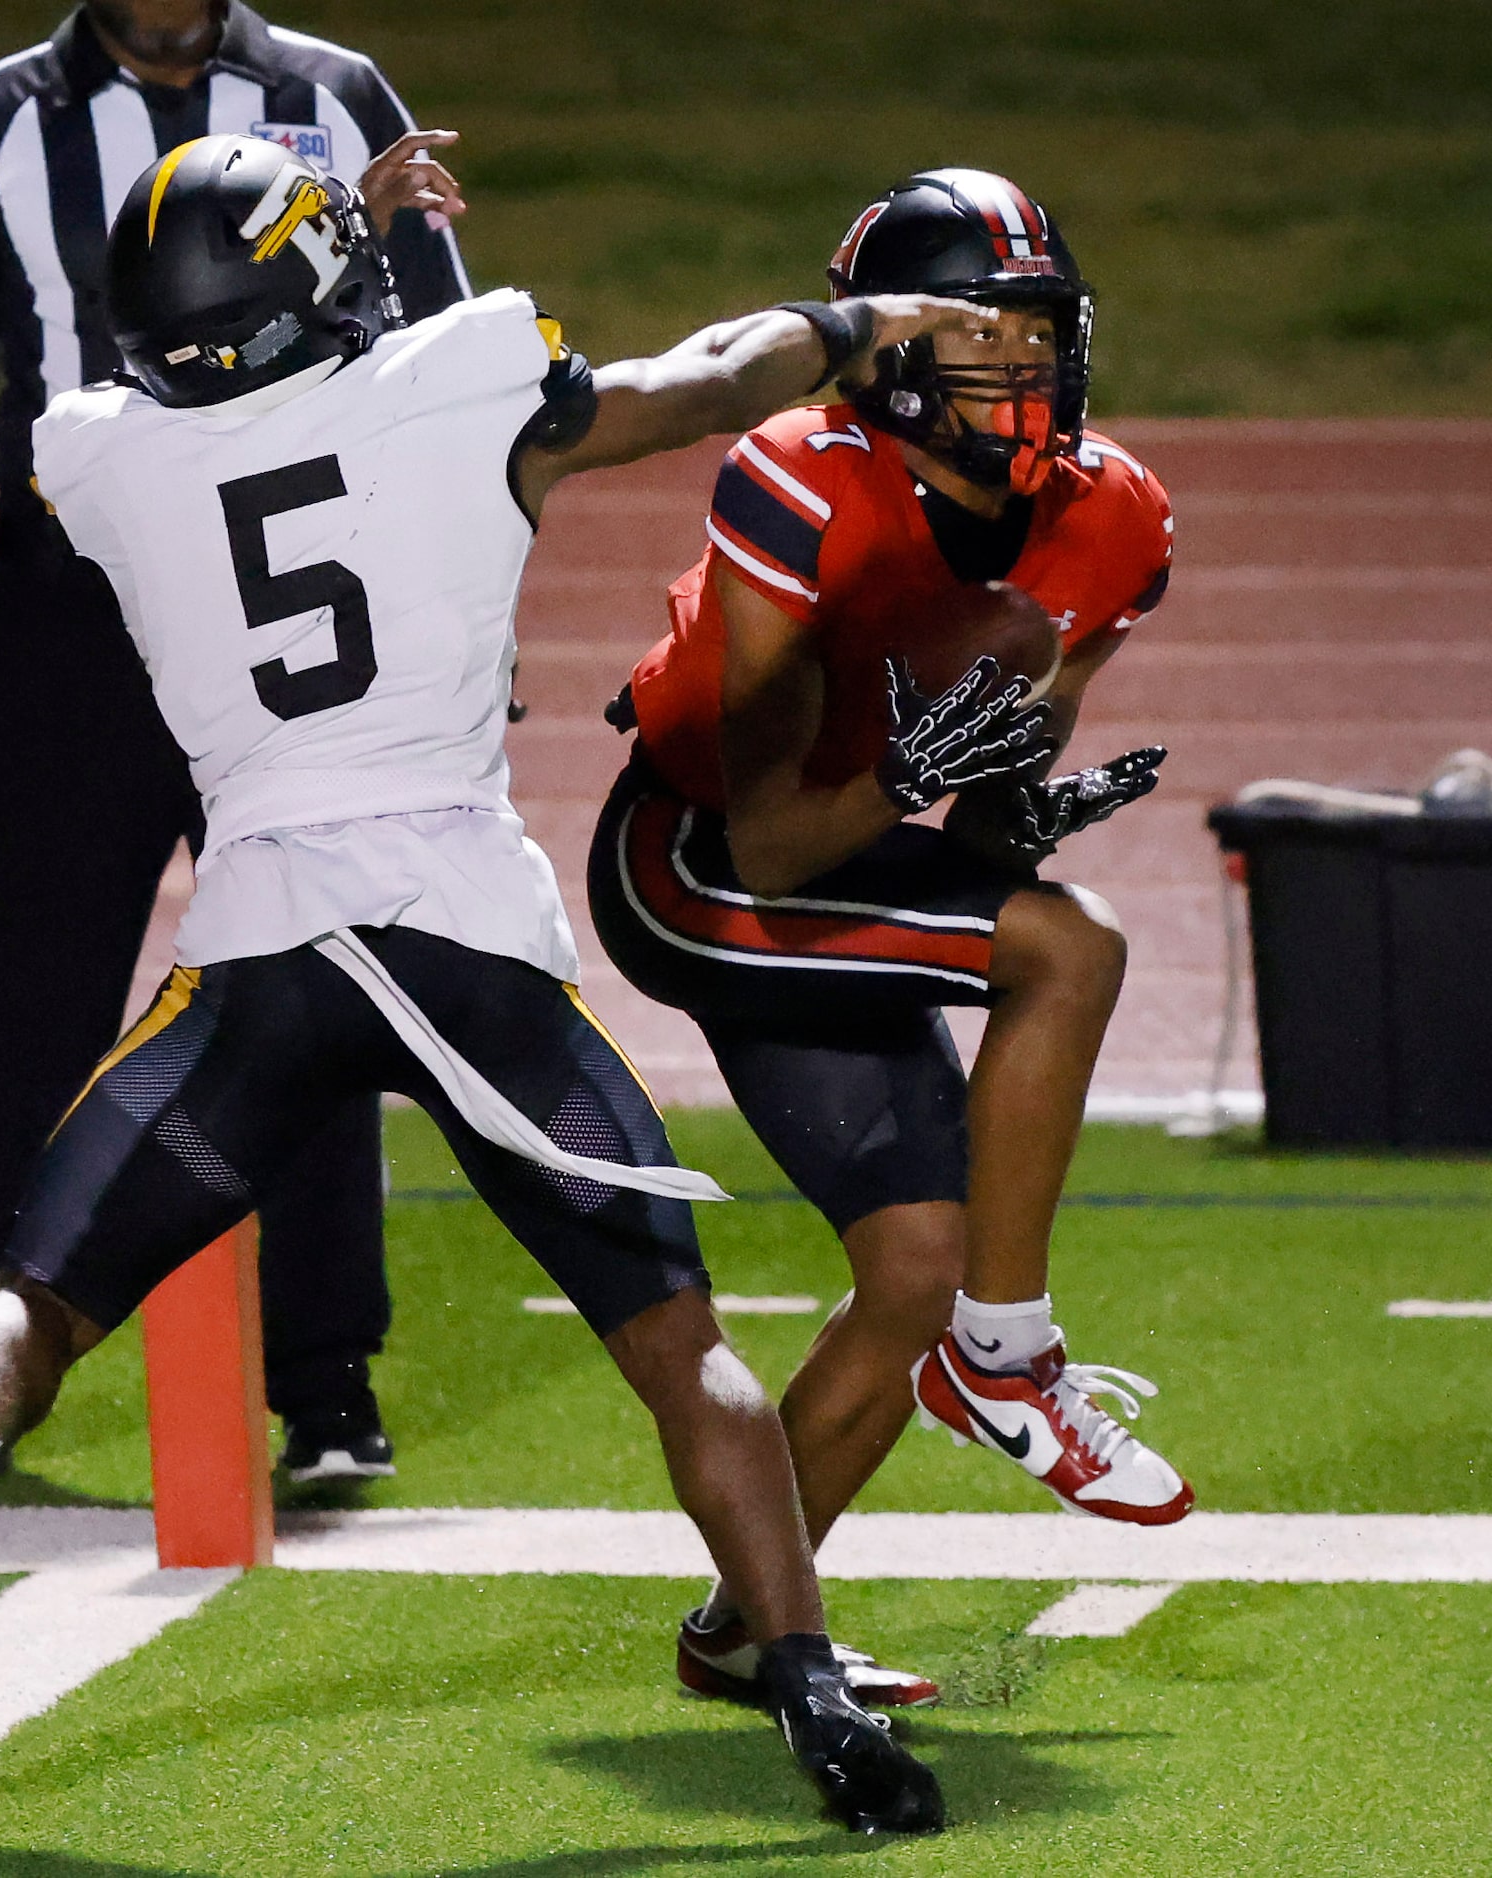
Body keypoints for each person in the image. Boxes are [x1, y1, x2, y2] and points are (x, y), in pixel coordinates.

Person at [0, 135, 1044, 1834]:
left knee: (33, 1292)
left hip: (257, 948)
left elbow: (214, 392)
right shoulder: (461, 377)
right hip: (459, 938)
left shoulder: (100, 456)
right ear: (315, 288)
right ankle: (804, 1685)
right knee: (682, 1347)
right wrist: (863, 320)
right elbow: (711, 377)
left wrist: (274, 277)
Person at [0, 0, 469, 1485]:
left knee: (314, 983)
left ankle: (323, 1379)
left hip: (287, 610)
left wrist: (442, 607)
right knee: (26, 999)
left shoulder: (335, 92)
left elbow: (443, 374)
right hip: (76, 616)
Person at [586, 168, 1194, 1709]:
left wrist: (1016, 817)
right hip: (702, 862)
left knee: (917, 1260)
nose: (1020, 370)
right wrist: (929, 779)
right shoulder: (800, 475)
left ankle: (744, 1628)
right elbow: (781, 835)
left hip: (838, 853)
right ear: (893, 353)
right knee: (1073, 949)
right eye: (976, 338)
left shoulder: (1109, 514)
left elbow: (980, 811)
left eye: (1038, 335)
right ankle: (1006, 1359)